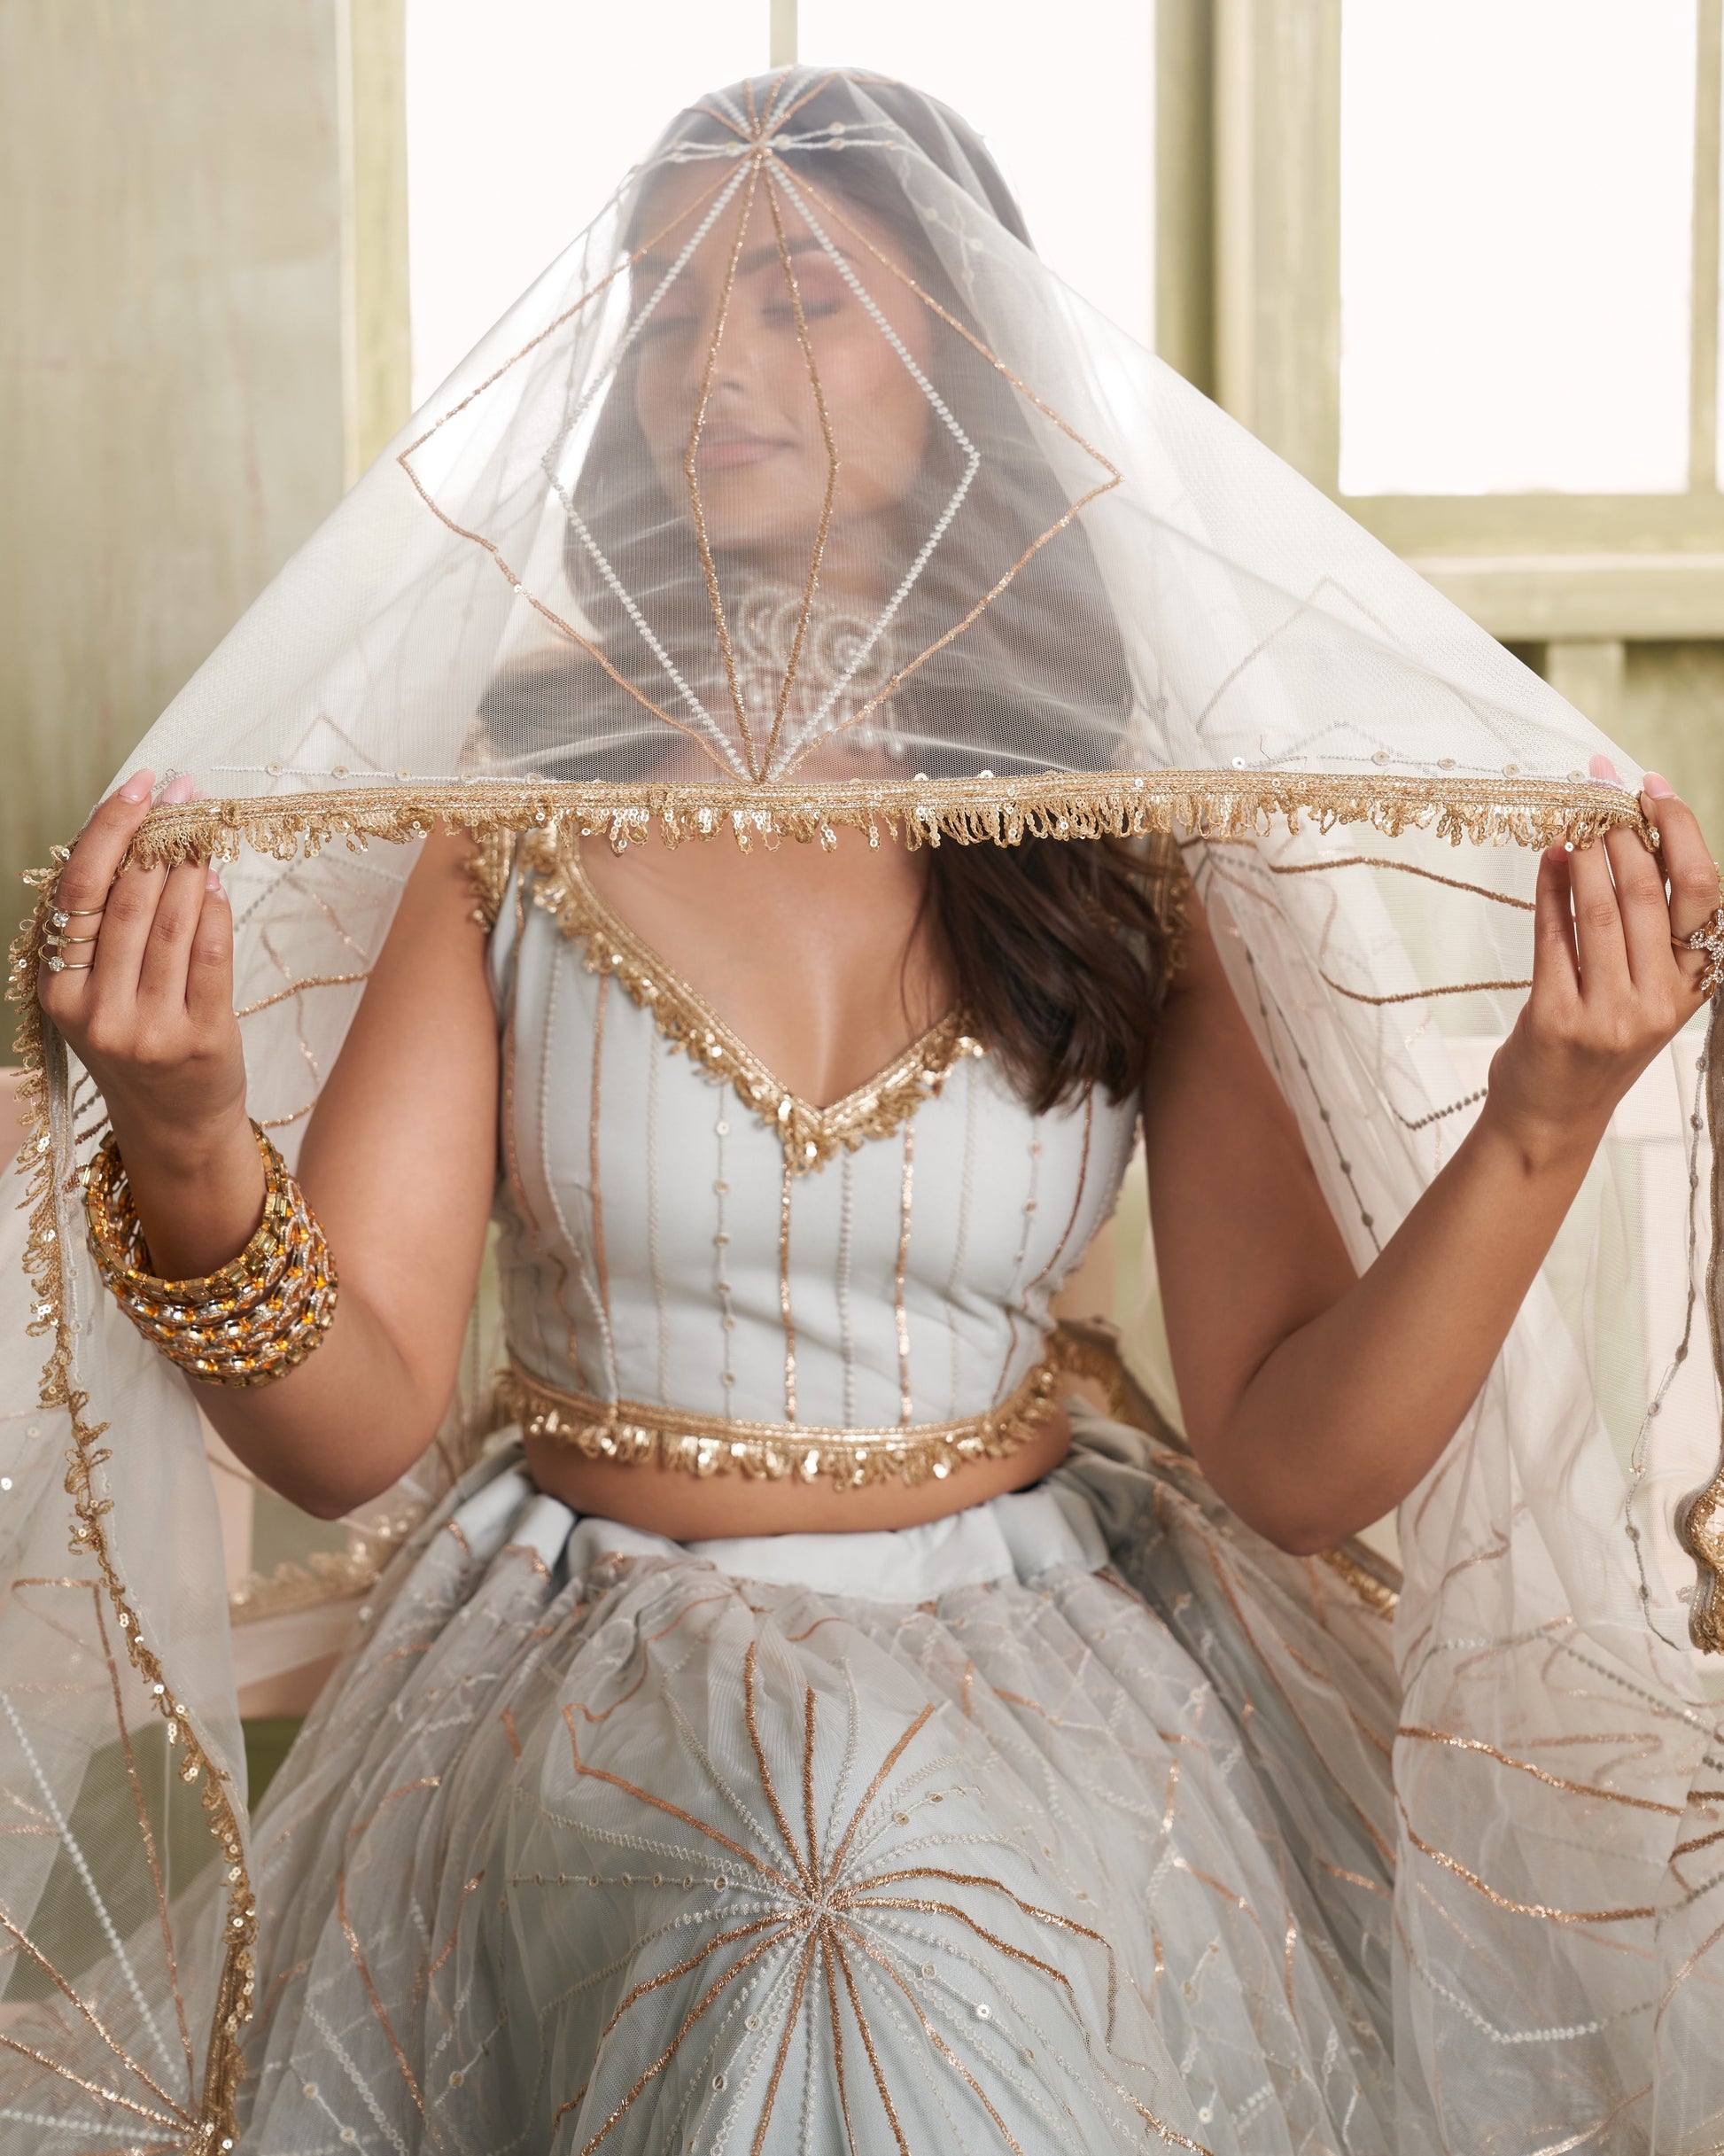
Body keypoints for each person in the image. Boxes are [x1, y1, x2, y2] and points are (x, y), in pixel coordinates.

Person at [10, 69, 1724, 2154]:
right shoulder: (499, 821)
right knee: (794, 1898)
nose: (701, 361)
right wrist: (187, 1145)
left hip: (1059, 1657)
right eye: (653, 310)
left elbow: (1285, 1450)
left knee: (891, 1896)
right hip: (591, 1652)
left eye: (795, 295)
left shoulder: (1116, 833)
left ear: (970, 358)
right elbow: (357, 1420)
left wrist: (1540, 1118)